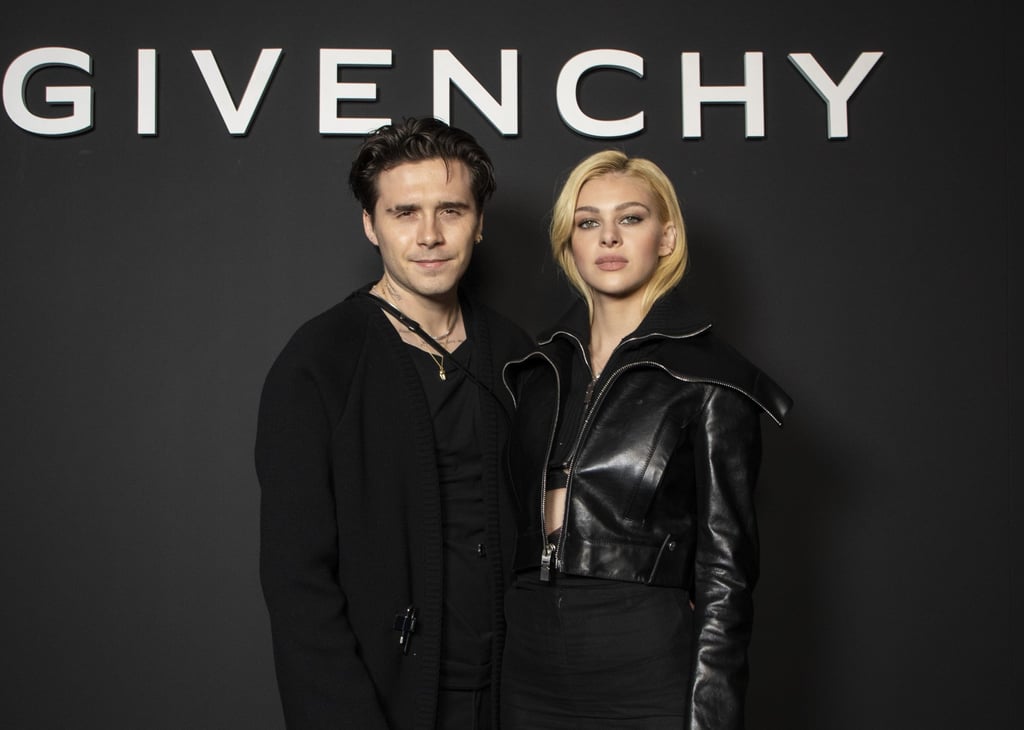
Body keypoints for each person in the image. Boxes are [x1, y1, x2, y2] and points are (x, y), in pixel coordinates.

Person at [255, 117, 532, 730]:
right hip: (388, 702)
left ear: (479, 223)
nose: (429, 235)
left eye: (451, 211)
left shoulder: (518, 353)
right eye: (405, 213)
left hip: (515, 699)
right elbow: (296, 577)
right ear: (370, 225)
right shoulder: (320, 360)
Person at [500, 150, 792, 729]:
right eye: (588, 222)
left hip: (640, 651)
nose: (608, 236)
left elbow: (727, 573)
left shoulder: (713, 378)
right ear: (570, 244)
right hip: (529, 654)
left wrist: (711, 714)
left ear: (666, 236)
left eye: (630, 218)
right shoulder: (537, 368)